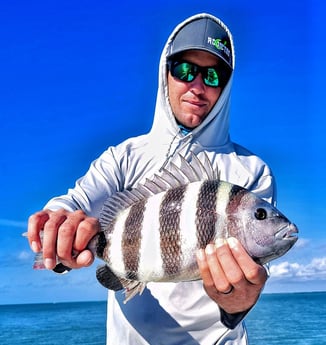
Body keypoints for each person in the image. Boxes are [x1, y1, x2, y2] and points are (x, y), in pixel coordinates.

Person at [27, 13, 275, 344]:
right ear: (165, 73)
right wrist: (58, 227)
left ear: (226, 86)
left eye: (213, 76)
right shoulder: (123, 158)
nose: (198, 86)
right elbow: (74, 203)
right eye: (185, 70)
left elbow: (251, 282)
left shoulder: (251, 171)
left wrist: (239, 300)